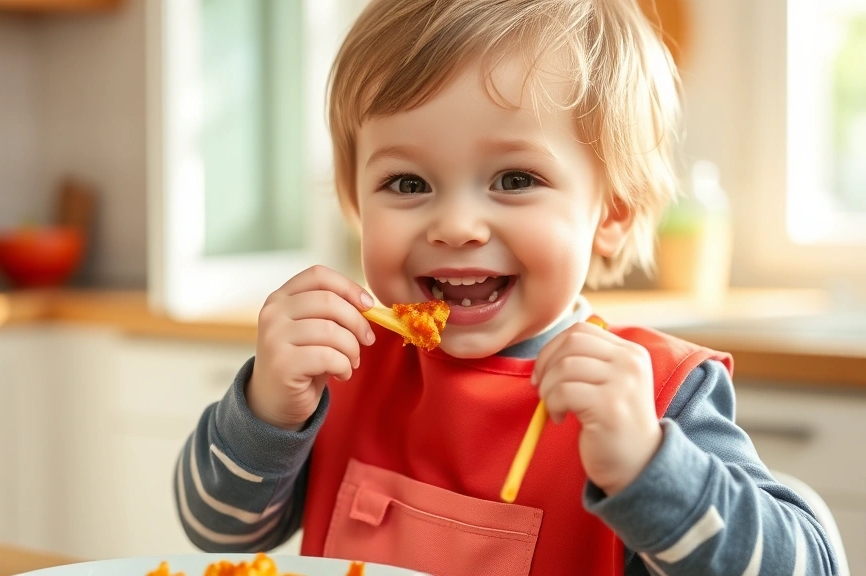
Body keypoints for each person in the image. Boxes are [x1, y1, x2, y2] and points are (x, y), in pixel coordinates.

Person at [173, 1, 839, 574]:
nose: (457, 225)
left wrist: (649, 466)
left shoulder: (654, 397)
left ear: (611, 214)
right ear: (354, 202)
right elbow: (218, 530)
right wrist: (264, 409)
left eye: (515, 180)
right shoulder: (344, 365)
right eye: (407, 184)